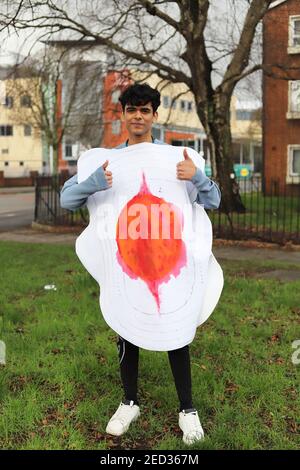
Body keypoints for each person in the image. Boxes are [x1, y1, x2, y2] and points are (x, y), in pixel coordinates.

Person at [60, 83, 221, 445]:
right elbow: (68, 199)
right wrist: (93, 182)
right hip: (127, 265)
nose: (138, 116)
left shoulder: (175, 158)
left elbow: (213, 200)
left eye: (145, 110)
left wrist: (196, 177)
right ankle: (129, 400)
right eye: (131, 109)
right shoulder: (108, 160)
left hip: (168, 263)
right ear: (122, 114)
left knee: (176, 331)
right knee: (127, 330)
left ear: (154, 115)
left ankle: (188, 409)